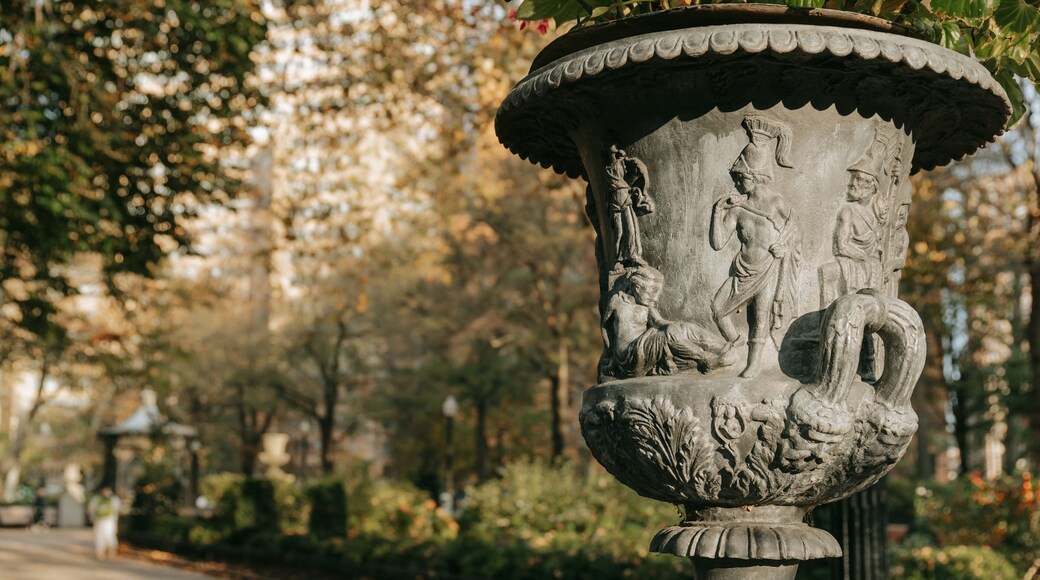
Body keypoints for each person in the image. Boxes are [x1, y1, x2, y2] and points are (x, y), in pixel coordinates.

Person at [710, 116, 801, 378]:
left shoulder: (777, 205)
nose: (737, 182)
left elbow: (794, 231)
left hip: (767, 269)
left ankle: (754, 364)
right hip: (741, 269)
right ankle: (735, 342)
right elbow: (718, 243)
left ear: (756, 176)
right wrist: (718, 211)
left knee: (759, 319)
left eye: (741, 178)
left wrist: (783, 246)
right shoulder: (737, 208)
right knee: (717, 309)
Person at [87, 486, 120, 559]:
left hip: (109, 521)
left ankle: (111, 550)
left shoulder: (113, 499)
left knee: (109, 536)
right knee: (99, 537)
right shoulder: (97, 499)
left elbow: (116, 511)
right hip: (100, 521)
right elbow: (92, 509)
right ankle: (100, 552)